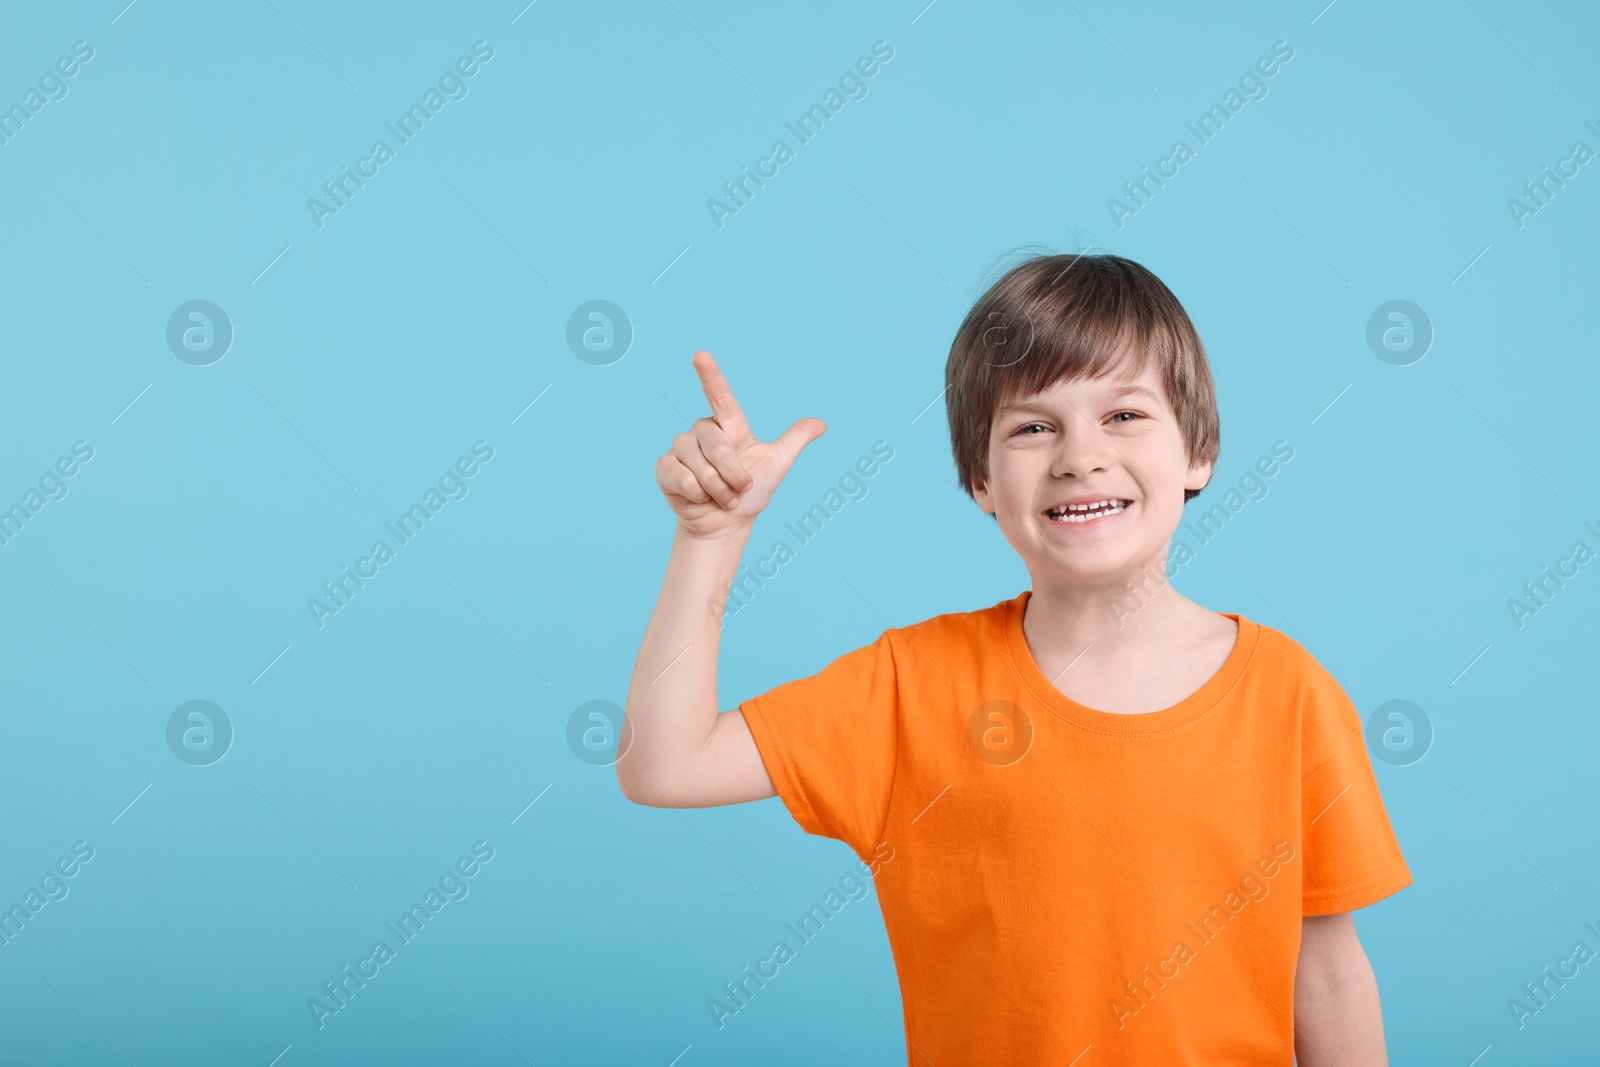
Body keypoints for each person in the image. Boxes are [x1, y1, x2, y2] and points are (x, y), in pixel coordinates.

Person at [619, 251, 1412, 1065]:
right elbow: (664, 766)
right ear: (980, 479)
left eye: (1125, 416)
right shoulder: (911, 685)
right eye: (1033, 426)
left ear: (1198, 452)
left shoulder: (1291, 694)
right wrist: (709, 540)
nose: (1079, 455)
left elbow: (1327, 973)